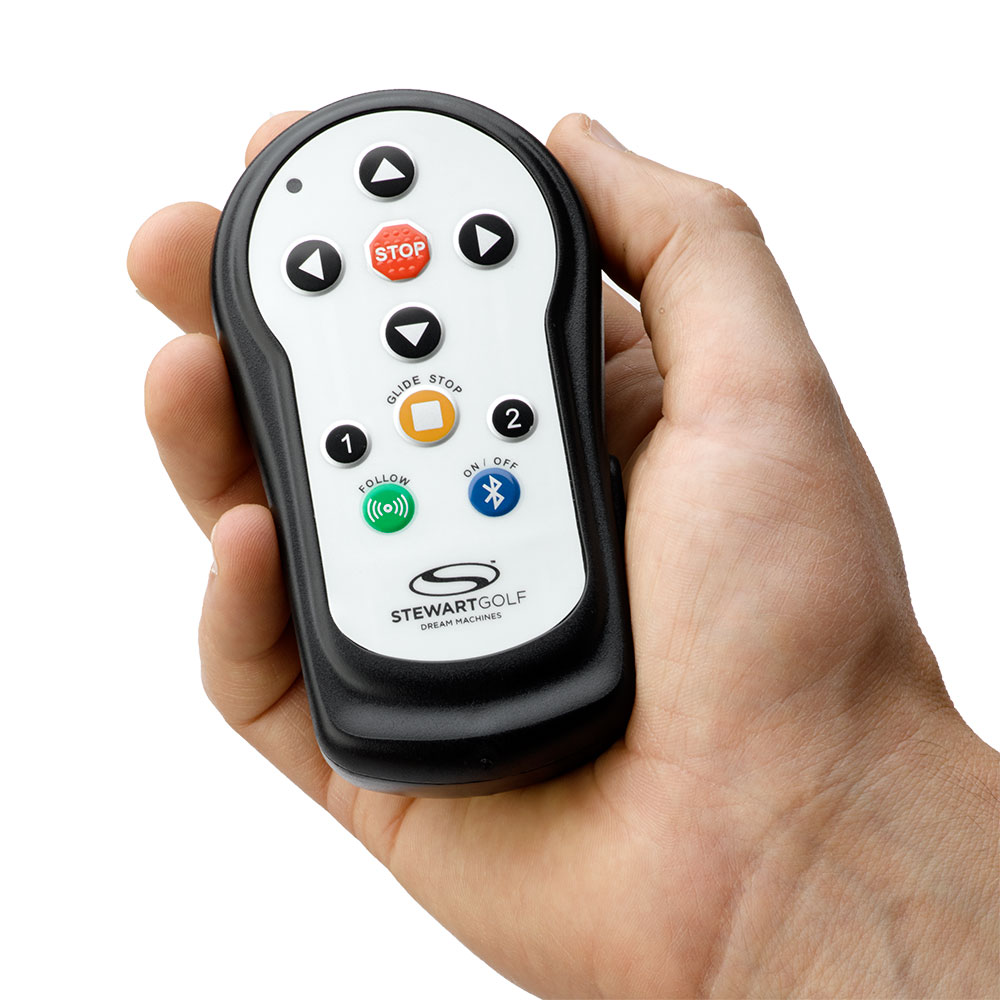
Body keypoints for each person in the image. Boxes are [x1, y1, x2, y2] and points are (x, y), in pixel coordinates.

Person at [128, 111, 998, 998]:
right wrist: (796, 895)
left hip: (509, 676)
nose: (398, 252)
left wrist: (817, 831)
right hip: (430, 679)